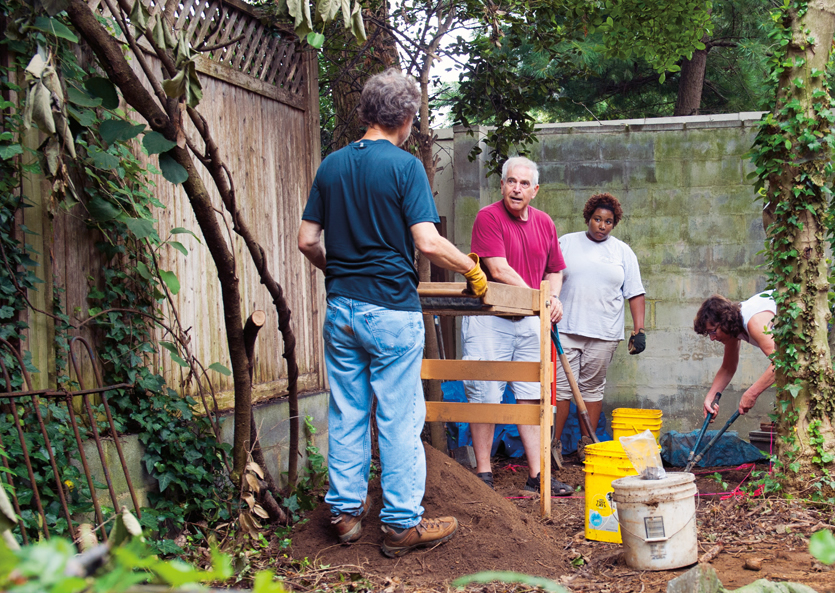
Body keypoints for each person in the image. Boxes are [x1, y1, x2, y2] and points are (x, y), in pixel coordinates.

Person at [297, 68, 488, 558]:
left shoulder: (332, 166)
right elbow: (426, 241)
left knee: (347, 411)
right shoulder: (405, 168)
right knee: (400, 419)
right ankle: (401, 525)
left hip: (341, 309)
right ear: (404, 118)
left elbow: (306, 241)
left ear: (366, 113)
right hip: (390, 311)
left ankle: (344, 515)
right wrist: (472, 267)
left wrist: (338, 271)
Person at [461, 156, 572, 495]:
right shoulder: (488, 217)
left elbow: (555, 269)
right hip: (490, 319)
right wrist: (540, 300)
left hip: (529, 320)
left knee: (532, 395)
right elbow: (498, 269)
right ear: (502, 185)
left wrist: (551, 297)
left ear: (535, 190)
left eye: (524, 184)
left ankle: (538, 476)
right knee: (485, 394)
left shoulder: (545, 223)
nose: (517, 188)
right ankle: (483, 474)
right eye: (511, 181)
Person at [554, 193, 646, 463]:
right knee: (560, 389)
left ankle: (587, 445)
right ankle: (553, 445)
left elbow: (635, 292)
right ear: (588, 218)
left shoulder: (622, 252)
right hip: (566, 329)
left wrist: (638, 330)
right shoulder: (567, 243)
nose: (602, 225)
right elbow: (551, 276)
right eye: (597, 219)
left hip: (604, 333)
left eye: (608, 221)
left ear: (614, 224)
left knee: (591, 388)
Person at [693, 292, 776, 417]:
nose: (712, 338)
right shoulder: (733, 327)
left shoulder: (754, 322)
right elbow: (728, 367)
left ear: (724, 321)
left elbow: (782, 362)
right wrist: (710, 398)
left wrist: (752, 393)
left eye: (713, 331)